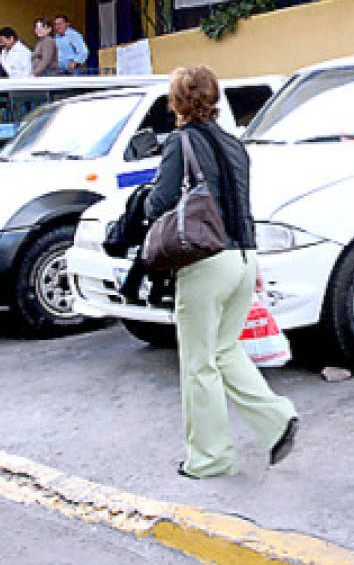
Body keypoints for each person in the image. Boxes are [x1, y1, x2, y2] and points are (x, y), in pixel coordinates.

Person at [144, 65, 298, 478]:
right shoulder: (235, 145)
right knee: (225, 349)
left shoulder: (181, 142)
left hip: (206, 262)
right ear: (214, 98)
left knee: (198, 363)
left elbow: (158, 204)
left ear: (176, 102)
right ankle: (277, 419)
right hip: (242, 259)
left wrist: (141, 205)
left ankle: (210, 458)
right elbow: (242, 206)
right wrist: (253, 259)